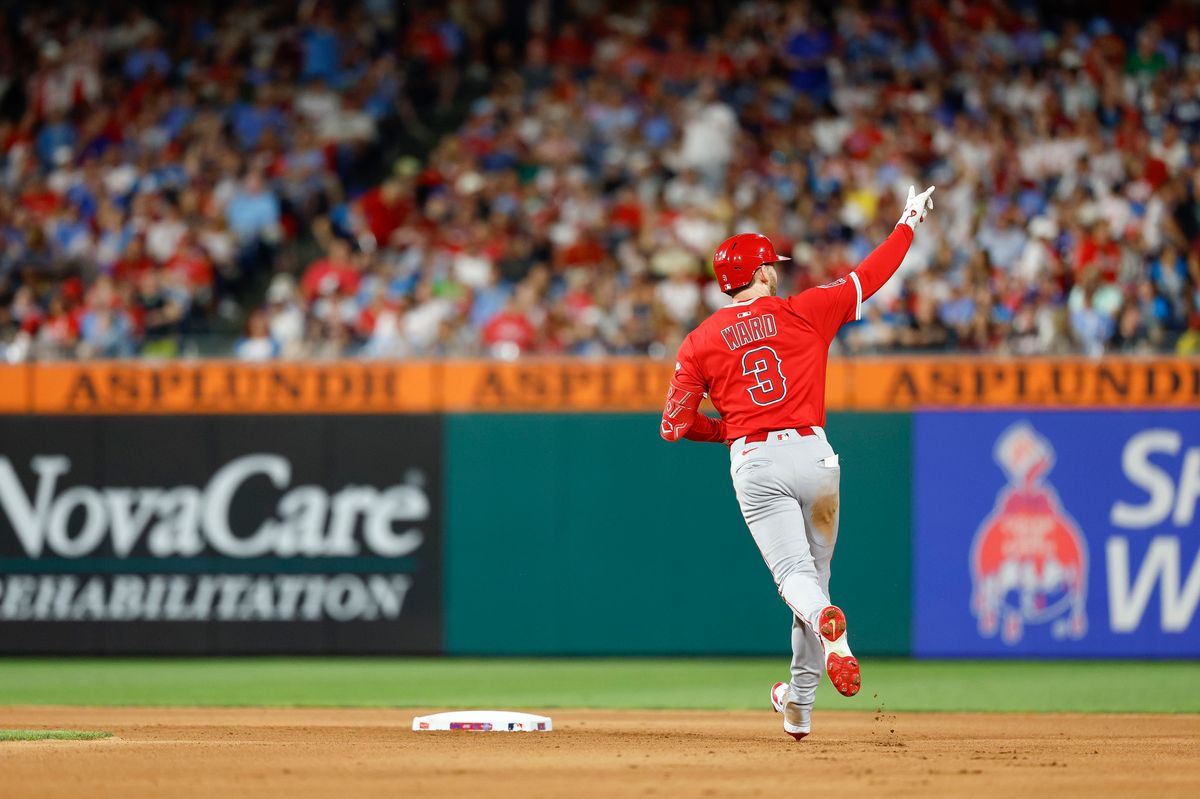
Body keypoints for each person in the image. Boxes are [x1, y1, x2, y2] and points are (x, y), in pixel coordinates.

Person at [659, 185, 936, 740]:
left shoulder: (698, 342)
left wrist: (728, 430)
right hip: (816, 456)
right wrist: (908, 218)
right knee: (816, 584)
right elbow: (871, 275)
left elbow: (673, 426)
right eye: (772, 265)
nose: (777, 272)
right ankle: (798, 707)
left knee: (795, 580)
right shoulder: (805, 310)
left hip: (757, 463)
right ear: (761, 273)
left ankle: (833, 640)